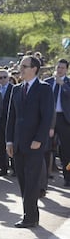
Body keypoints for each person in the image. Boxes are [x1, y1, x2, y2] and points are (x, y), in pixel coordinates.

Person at [6, 55, 54, 228]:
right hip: (18, 144)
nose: (21, 69)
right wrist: (9, 141)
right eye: (21, 66)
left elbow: (47, 116)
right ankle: (31, 214)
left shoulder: (44, 89)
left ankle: (30, 217)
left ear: (34, 68)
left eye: (24, 66)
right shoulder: (16, 89)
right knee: (23, 180)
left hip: (35, 143)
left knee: (32, 181)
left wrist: (39, 139)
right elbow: (11, 117)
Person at [45, 59, 70, 187]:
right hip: (49, 118)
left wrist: (63, 85)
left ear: (66, 69)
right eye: (58, 67)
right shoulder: (48, 82)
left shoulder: (68, 82)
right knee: (45, 147)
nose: (59, 70)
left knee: (66, 150)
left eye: (62, 68)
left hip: (64, 119)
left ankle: (68, 177)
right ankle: (43, 177)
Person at [0, 69, 14, 176]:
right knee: (0, 146)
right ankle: (3, 169)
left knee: (12, 144)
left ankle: (15, 169)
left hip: (10, 121)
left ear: (9, 77)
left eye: (5, 77)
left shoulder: (14, 89)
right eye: (0, 77)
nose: (2, 79)